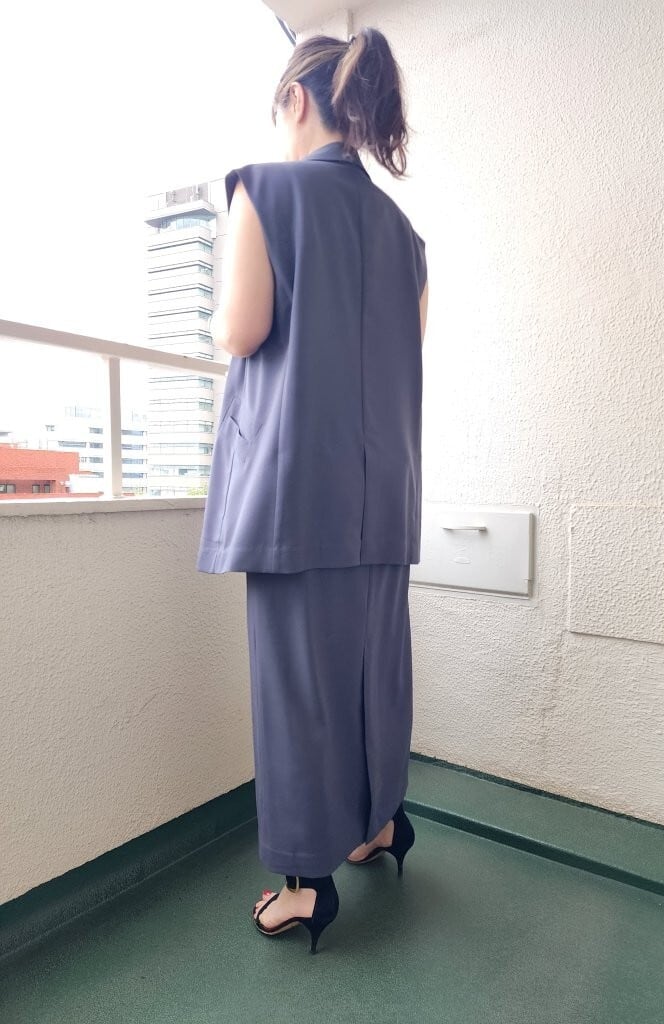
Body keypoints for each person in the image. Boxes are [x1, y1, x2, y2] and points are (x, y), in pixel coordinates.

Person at [195, 26, 428, 954]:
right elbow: (402, 351)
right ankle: (379, 825)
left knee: (296, 691)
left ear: (296, 99)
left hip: (298, 493)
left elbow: (241, 330)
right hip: (385, 491)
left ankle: (303, 884)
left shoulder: (267, 189)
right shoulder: (406, 237)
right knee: (375, 669)